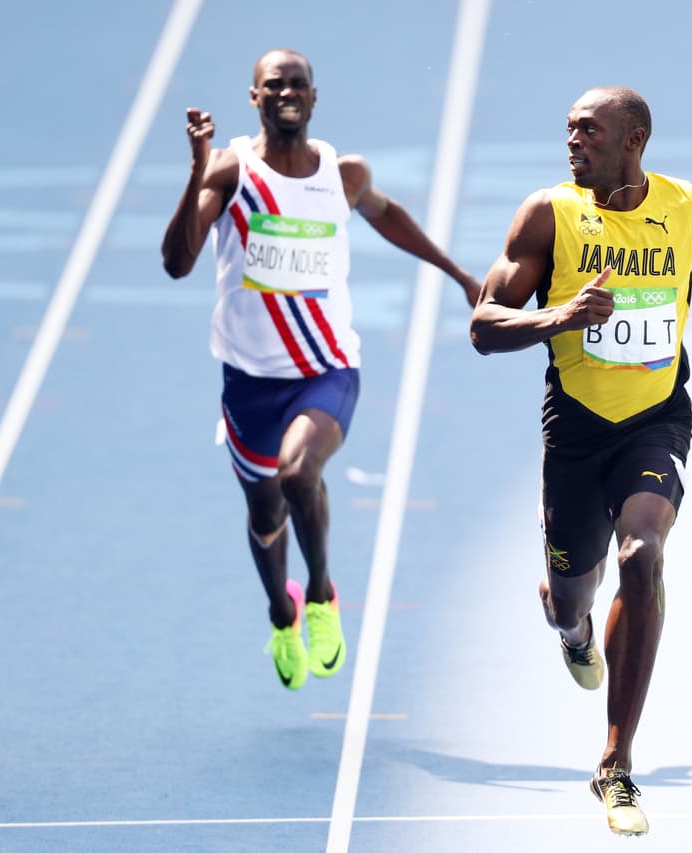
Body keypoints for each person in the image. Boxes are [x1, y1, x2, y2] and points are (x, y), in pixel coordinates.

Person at [470, 86, 692, 836]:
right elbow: (483, 326)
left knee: (643, 553)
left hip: (656, 421)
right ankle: (572, 628)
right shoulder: (548, 215)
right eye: (568, 130)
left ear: (635, 137)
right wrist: (561, 316)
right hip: (577, 430)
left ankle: (615, 765)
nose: (572, 142)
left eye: (588, 131)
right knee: (569, 593)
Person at [161, 48, 480, 692]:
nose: (286, 92)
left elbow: (387, 216)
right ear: (254, 97)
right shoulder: (230, 173)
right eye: (273, 84)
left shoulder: (343, 173)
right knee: (263, 517)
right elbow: (177, 262)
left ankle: (323, 595)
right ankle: (282, 612)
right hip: (249, 381)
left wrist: (458, 274)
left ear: (313, 96)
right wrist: (196, 172)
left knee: (299, 472)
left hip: (326, 369)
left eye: (297, 84)